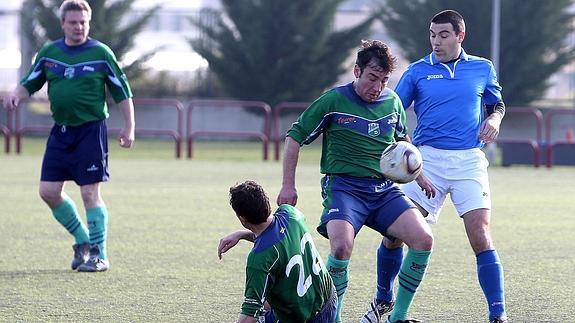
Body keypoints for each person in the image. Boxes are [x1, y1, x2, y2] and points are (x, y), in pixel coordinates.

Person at [277, 40, 434, 323]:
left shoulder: (393, 102)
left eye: (384, 80)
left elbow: (402, 141)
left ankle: (397, 317)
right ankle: (331, 318)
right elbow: (295, 136)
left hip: (384, 190)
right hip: (344, 189)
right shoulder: (333, 101)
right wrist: (288, 185)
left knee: (423, 239)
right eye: (373, 78)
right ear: (357, 70)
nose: (378, 87)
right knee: (341, 247)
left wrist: (419, 174)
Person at [369, 10, 508, 323]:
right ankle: (383, 297)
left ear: (460, 36)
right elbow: (393, 108)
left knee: (480, 234)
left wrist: (495, 119)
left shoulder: (482, 68)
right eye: (432, 35)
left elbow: (495, 103)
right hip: (427, 161)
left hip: (469, 161)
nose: (436, 41)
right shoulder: (418, 71)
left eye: (443, 35)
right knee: (396, 234)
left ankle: (498, 314)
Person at [2, 0, 135, 272]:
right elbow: (30, 82)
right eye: (73, 22)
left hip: (91, 131)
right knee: (48, 192)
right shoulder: (50, 52)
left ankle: (99, 256)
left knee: (89, 193)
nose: (78, 27)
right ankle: (83, 241)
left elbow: (123, 91)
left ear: (89, 23)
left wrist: (129, 127)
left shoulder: (101, 53)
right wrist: (16, 95)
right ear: (63, 23)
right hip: (60, 132)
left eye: (83, 22)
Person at [218, 180, 337, 323]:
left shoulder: (258, 258)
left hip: (306, 318)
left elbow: (248, 317)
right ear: (266, 203)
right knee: (268, 300)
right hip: (329, 300)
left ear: (242, 218)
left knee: (259, 305)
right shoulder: (291, 213)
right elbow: (279, 240)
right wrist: (242, 234)